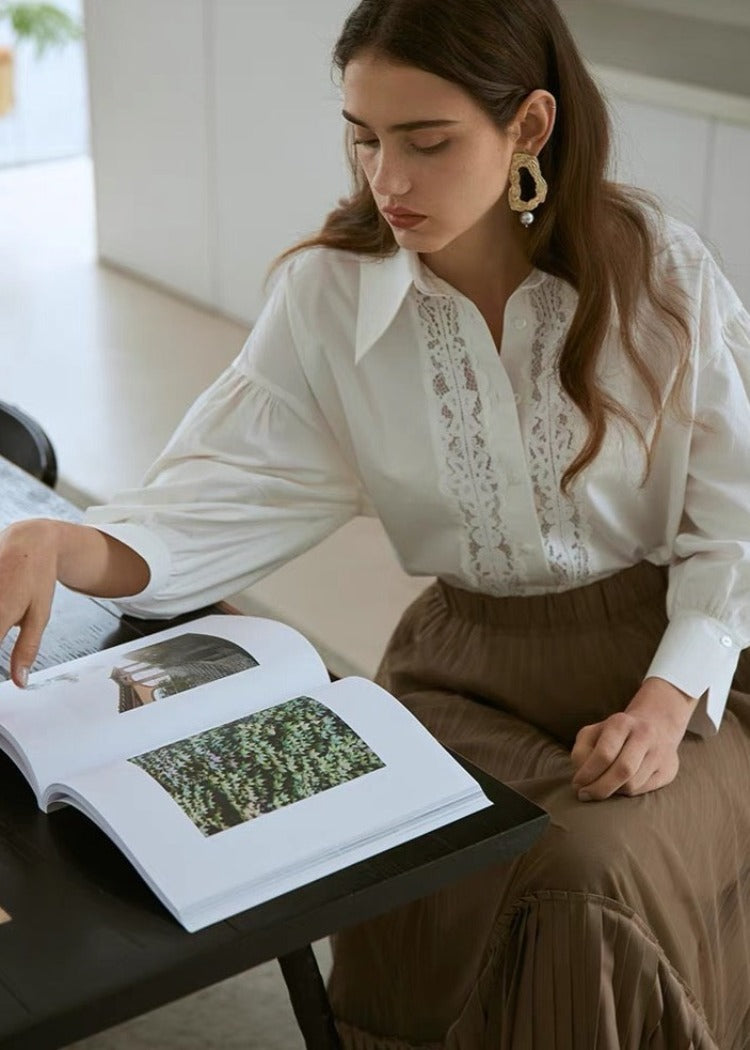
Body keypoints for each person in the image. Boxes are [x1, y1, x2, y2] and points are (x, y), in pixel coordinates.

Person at [2, 0, 750, 1044]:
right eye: (363, 139)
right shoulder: (328, 298)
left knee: (587, 879)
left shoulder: (656, 271)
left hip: (671, 664)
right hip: (463, 668)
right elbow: (213, 498)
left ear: (529, 127)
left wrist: (666, 706)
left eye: (426, 142)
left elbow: (737, 522)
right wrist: (56, 542)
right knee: (392, 842)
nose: (385, 181)